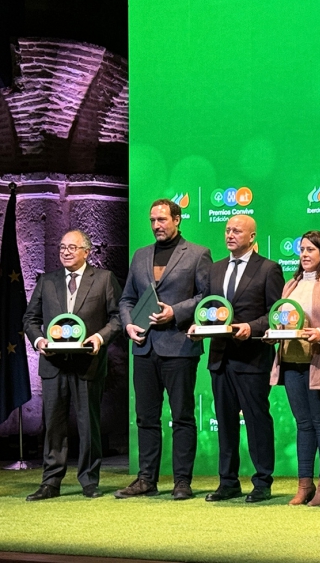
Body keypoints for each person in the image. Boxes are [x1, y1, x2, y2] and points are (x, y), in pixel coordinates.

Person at [117, 199, 211, 500]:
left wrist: (175, 312)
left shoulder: (198, 254)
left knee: (182, 416)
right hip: (144, 347)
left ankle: (182, 481)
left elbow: (206, 297)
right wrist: (129, 325)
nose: (157, 225)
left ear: (177, 220)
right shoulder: (141, 255)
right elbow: (126, 299)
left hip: (179, 346)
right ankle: (146, 479)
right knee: (146, 417)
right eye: (153, 220)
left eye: (162, 219)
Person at [22, 230, 122, 500]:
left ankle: (89, 480)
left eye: (72, 248)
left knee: (89, 424)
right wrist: (39, 340)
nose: (65, 252)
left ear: (86, 252)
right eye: (62, 247)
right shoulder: (47, 281)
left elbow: (117, 318)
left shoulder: (104, 279)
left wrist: (100, 337)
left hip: (87, 362)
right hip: (53, 365)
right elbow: (30, 319)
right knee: (53, 425)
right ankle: (50, 482)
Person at [193, 215, 283, 503]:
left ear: (253, 236)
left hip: (252, 358)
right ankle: (228, 481)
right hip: (220, 357)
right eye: (227, 230)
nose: (230, 235)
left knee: (257, 420)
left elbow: (274, 313)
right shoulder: (216, 269)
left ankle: (262, 481)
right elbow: (209, 309)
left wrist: (251, 328)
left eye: (237, 231)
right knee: (225, 422)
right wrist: (198, 328)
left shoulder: (269, 269)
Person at [270, 230, 320, 507]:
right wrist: (274, 331)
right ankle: (304, 485)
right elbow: (282, 319)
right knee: (303, 424)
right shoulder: (291, 285)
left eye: (310, 249)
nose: (303, 254)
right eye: (301, 249)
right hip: (291, 361)